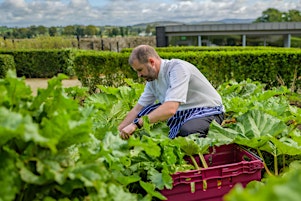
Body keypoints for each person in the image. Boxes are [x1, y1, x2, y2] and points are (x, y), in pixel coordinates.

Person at [118, 45, 224, 140]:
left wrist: (135, 124)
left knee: (187, 133)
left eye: (140, 70)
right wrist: (118, 131)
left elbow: (170, 109)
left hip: (207, 110)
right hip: (181, 111)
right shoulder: (152, 80)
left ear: (151, 62)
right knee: (144, 113)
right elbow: (138, 109)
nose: (139, 75)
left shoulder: (178, 69)